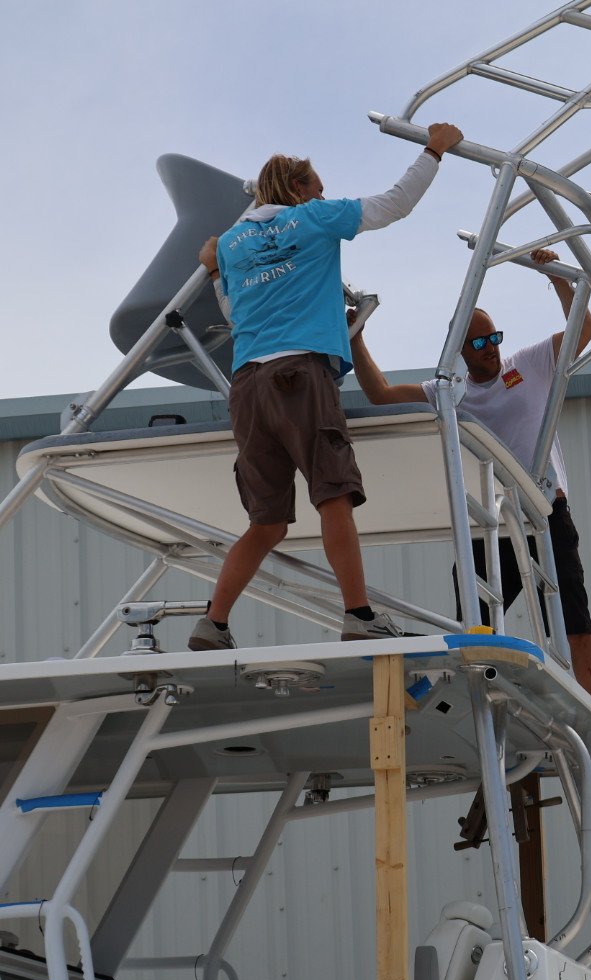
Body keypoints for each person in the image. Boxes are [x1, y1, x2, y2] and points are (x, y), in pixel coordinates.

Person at [187, 123, 464, 652]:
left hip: (246, 387)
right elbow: (394, 205)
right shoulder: (314, 218)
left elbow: (232, 310)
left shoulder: (231, 243)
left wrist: (217, 268)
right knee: (334, 496)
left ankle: (214, 622)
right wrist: (434, 150)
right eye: (316, 186)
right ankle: (358, 614)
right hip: (301, 376)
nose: (323, 194)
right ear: (296, 190)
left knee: (266, 522)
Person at [348, 249, 591, 706]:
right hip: (490, 521)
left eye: (495, 338)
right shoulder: (450, 392)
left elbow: (584, 329)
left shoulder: (528, 365)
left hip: (544, 511)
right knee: (473, 625)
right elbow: (381, 393)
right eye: (480, 343)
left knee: (574, 622)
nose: (492, 349)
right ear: (461, 351)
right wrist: (355, 338)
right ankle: (473, 706)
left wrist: (556, 275)